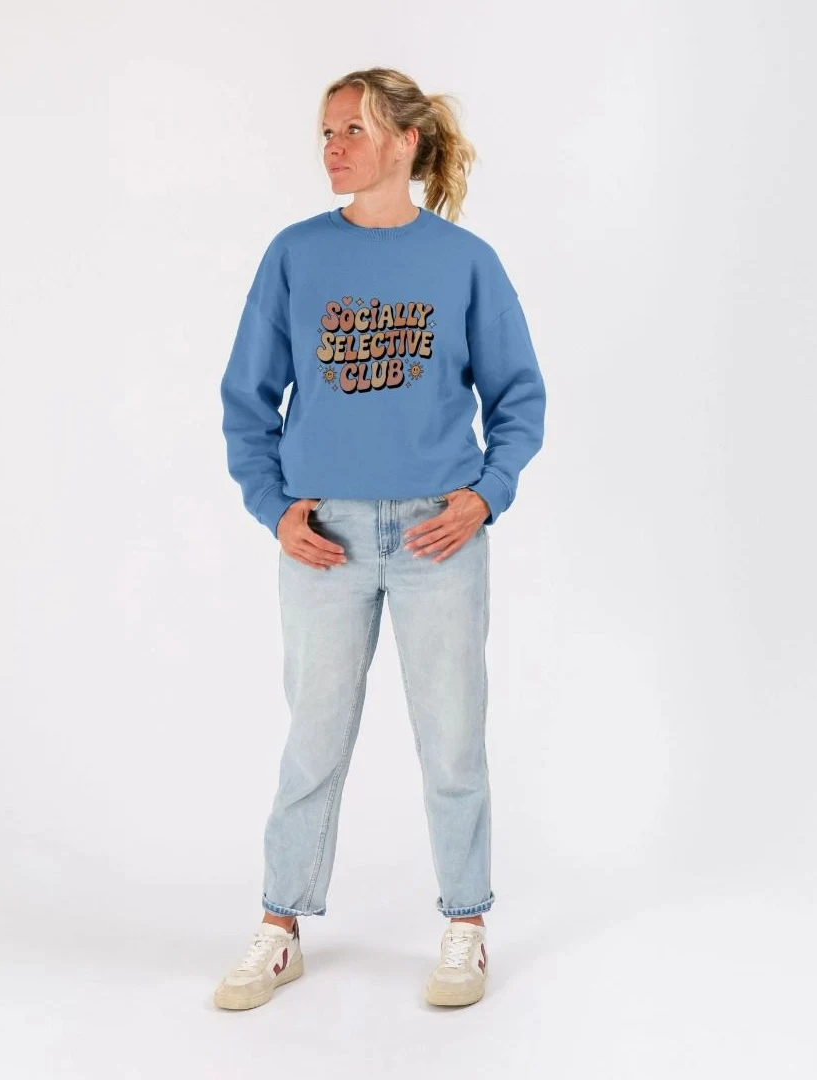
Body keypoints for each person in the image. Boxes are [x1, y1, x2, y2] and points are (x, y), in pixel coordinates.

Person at [214, 67, 546, 1010]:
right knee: (313, 739)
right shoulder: (295, 256)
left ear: (406, 140)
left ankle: (466, 925)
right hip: (326, 535)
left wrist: (485, 496)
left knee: (452, 739)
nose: (333, 148)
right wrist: (274, 507)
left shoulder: (464, 262)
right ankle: (280, 927)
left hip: (440, 533)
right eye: (326, 132)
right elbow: (247, 397)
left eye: (352, 130)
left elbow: (519, 397)